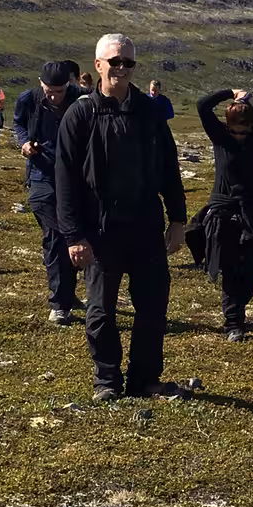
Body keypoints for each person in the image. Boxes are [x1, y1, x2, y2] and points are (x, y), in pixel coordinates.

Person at [56, 33, 188, 402]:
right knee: (100, 310)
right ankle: (107, 380)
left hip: (146, 225)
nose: (122, 69)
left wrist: (178, 220)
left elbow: (169, 168)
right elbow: (64, 178)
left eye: (129, 63)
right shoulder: (80, 114)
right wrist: (73, 236)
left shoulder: (150, 112)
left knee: (152, 308)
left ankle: (144, 380)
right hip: (99, 229)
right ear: (98, 65)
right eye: (115, 62)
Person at [194, 86, 253, 342]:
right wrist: (229, 92)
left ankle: (239, 300)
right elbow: (203, 105)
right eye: (235, 129)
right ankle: (233, 323)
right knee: (231, 265)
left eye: (244, 129)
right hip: (224, 210)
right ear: (228, 124)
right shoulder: (220, 137)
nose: (239, 134)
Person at [14, 61, 78, 324]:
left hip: (74, 177)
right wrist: (24, 143)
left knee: (74, 235)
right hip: (41, 175)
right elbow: (18, 124)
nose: (53, 96)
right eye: (49, 90)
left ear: (68, 86)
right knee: (56, 236)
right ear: (41, 84)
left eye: (59, 91)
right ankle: (59, 304)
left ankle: (67, 294)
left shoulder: (80, 99)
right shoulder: (28, 99)